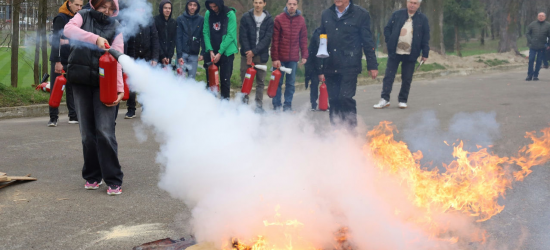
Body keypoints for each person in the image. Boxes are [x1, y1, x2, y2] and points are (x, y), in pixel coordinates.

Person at [64, 0, 125, 195]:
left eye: (111, 8)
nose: (106, 11)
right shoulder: (83, 16)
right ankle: (92, 176)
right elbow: (68, 30)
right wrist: (94, 38)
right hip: (80, 81)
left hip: (104, 85)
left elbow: (118, 58)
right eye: (103, 6)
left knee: (105, 131)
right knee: (87, 134)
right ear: (95, 5)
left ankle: (114, 179)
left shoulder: (116, 27)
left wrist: (119, 88)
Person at [318, 0, 378, 127]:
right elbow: (321, 39)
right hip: (330, 63)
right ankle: (337, 133)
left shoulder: (361, 14)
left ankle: (350, 133)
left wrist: (372, 65)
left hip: (350, 64)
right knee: (334, 100)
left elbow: (367, 41)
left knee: (345, 98)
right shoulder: (326, 14)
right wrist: (319, 67)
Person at [373, 0, 429, 109]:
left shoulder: (423, 19)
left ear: (418, 5)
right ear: (407, 2)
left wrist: (425, 53)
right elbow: (387, 28)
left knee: (407, 78)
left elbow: (425, 37)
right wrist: (389, 41)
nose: (412, 5)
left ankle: (403, 100)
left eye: (415, 3)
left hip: (411, 53)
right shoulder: (397, 14)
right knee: (389, 76)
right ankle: (384, 99)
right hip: (395, 52)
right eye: (410, 2)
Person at [48, 0, 83, 127]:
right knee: (56, 88)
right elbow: (56, 40)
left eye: (81, 5)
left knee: (72, 89)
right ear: (69, 4)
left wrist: (68, 42)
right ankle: (53, 118)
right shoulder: (61, 18)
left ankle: (73, 116)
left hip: (72, 59)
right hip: (60, 59)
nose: (79, 8)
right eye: (76, 5)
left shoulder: (78, 18)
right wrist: (57, 61)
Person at [270, 0, 308, 112]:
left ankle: (287, 105)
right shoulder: (279, 19)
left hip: (293, 58)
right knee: (277, 82)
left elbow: (303, 39)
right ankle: (276, 105)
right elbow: (275, 40)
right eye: (290, 4)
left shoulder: (301, 20)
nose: (292, 6)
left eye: (294, 4)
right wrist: (275, 58)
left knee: (290, 84)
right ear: (286, 5)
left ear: (297, 6)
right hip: (280, 58)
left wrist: (304, 55)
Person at [238, 0, 273, 113]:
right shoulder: (246, 17)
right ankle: (244, 105)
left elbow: (267, 38)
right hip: (246, 55)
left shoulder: (269, 19)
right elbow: (243, 36)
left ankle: (259, 106)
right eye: (256, 2)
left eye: (260, 2)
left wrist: (254, 51)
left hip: (261, 55)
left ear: (264, 4)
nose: (258, 5)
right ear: (253, 3)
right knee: (245, 80)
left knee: (260, 82)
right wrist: (248, 52)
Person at [124, 12, 159, 118]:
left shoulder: (149, 20)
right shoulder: (129, 18)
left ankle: (145, 108)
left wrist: (154, 57)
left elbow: (155, 39)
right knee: (132, 84)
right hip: (132, 56)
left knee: (145, 83)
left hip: (147, 57)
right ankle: (131, 109)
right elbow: (126, 39)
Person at [203, 0, 238, 99]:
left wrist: (219, 52)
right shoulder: (208, 13)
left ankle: (224, 107)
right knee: (211, 81)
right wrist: (210, 50)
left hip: (226, 53)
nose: (213, 9)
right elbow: (205, 32)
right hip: (211, 52)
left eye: (215, 6)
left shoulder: (230, 14)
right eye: (211, 7)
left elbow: (230, 35)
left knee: (225, 81)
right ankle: (212, 105)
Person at [176, 0, 205, 79]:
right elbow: (178, 37)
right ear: (187, 6)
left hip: (194, 54)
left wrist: (202, 53)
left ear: (197, 7)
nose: (192, 7)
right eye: (190, 5)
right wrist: (179, 55)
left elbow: (203, 36)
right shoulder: (180, 19)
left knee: (191, 80)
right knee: (180, 80)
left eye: (194, 5)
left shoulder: (201, 20)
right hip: (182, 54)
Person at [525, 12, 550, 81]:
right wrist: (530, 40)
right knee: (531, 60)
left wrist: (548, 44)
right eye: (539, 16)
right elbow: (527, 33)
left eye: (542, 16)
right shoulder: (533, 24)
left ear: (545, 17)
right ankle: (529, 75)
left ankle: (536, 75)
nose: (540, 17)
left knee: (539, 61)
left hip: (542, 46)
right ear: (537, 17)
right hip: (533, 46)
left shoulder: (548, 25)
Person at [304, 27, 324, 111]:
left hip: (322, 62)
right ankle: (314, 103)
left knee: (328, 84)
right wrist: (320, 72)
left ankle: (325, 103)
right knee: (315, 83)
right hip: (312, 64)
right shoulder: (318, 37)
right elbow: (317, 57)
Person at [154, 0, 177, 67]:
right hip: (157, 56)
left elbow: (173, 41)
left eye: (169, 8)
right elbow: (155, 40)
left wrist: (169, 56)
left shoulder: (173, 22)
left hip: (168, 58)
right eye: (165, 8)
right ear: (161, 9)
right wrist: (162, 56)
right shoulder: (155, 20)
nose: (168, 10)